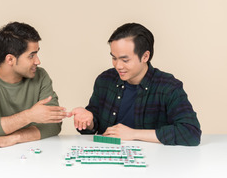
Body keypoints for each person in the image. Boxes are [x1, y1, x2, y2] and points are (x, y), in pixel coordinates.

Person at [68, 23, 201, 146]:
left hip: (153, 163)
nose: (118, 66)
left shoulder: (168, 87)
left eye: (125, 60)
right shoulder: (105, 80)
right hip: (107, 158)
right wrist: (88, 121)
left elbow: (191, 132)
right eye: (114, 58)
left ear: (145, 56)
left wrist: (133, 134)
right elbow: (95, 124)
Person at [0, 22, 67, 148]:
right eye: (31, 56)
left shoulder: (41, 76)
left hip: (37, 154)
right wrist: (29, 116)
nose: (38, 61)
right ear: (10, 59)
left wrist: (14, 138)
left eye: (37, 53)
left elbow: (54, 124)